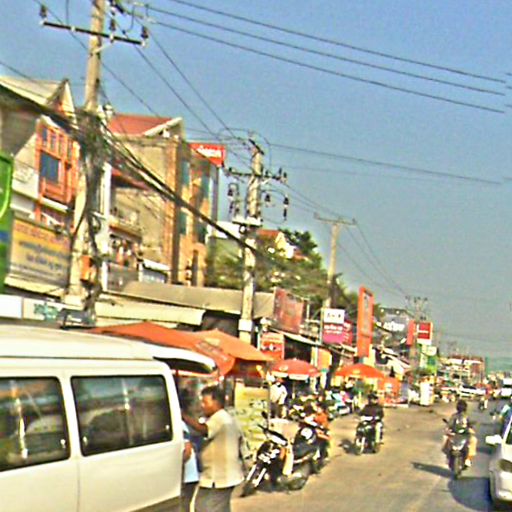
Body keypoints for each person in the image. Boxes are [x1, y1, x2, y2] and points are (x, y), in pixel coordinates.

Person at [182, 386, 244, 512]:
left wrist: (183, 417)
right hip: (221, 475)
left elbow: (203, 430)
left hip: (219, 477)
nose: (202, 406)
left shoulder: (220, 418)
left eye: (205, 402)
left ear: (216, 402)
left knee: (204, 507)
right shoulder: (225, 418)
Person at [444, 399, 477, 467]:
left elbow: (470, 424)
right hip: (455, 433)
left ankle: (468, 459)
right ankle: (448, 457)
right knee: (446, 440)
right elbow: (450, 424)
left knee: (473, 440)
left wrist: (470, 429)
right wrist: (447, 429)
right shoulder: (454, 416)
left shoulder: (467, 416)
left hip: (465, 434)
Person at [181, 422, 199, 512]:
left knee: (183, 505)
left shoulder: (179, 425)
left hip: (187, 476)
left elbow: (187, 451)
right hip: (187, 475)